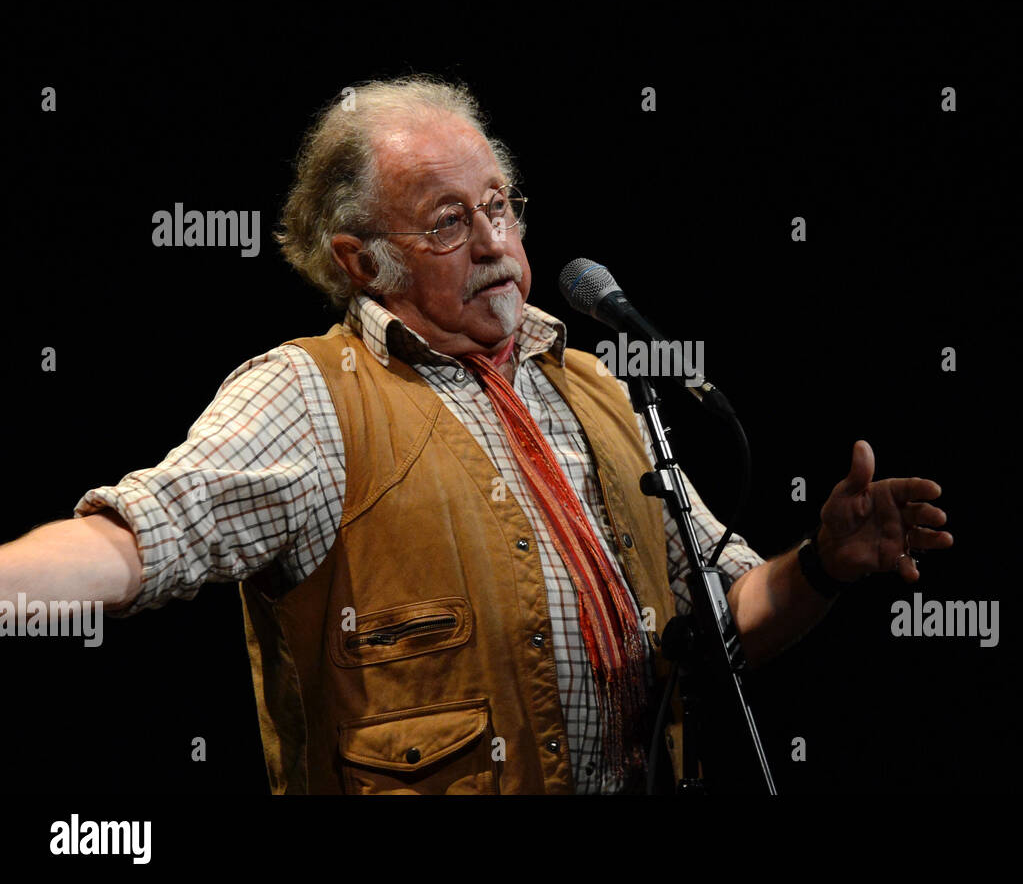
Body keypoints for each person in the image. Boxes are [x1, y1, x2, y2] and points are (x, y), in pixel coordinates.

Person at [0, 76, 953, 795]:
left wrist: (822, 564)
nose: (495, 240)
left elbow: (726, 613)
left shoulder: (596, 391)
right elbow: (138, 537)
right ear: (360, 258)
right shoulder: (314, 392)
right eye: (448, 221)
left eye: (498, 205)